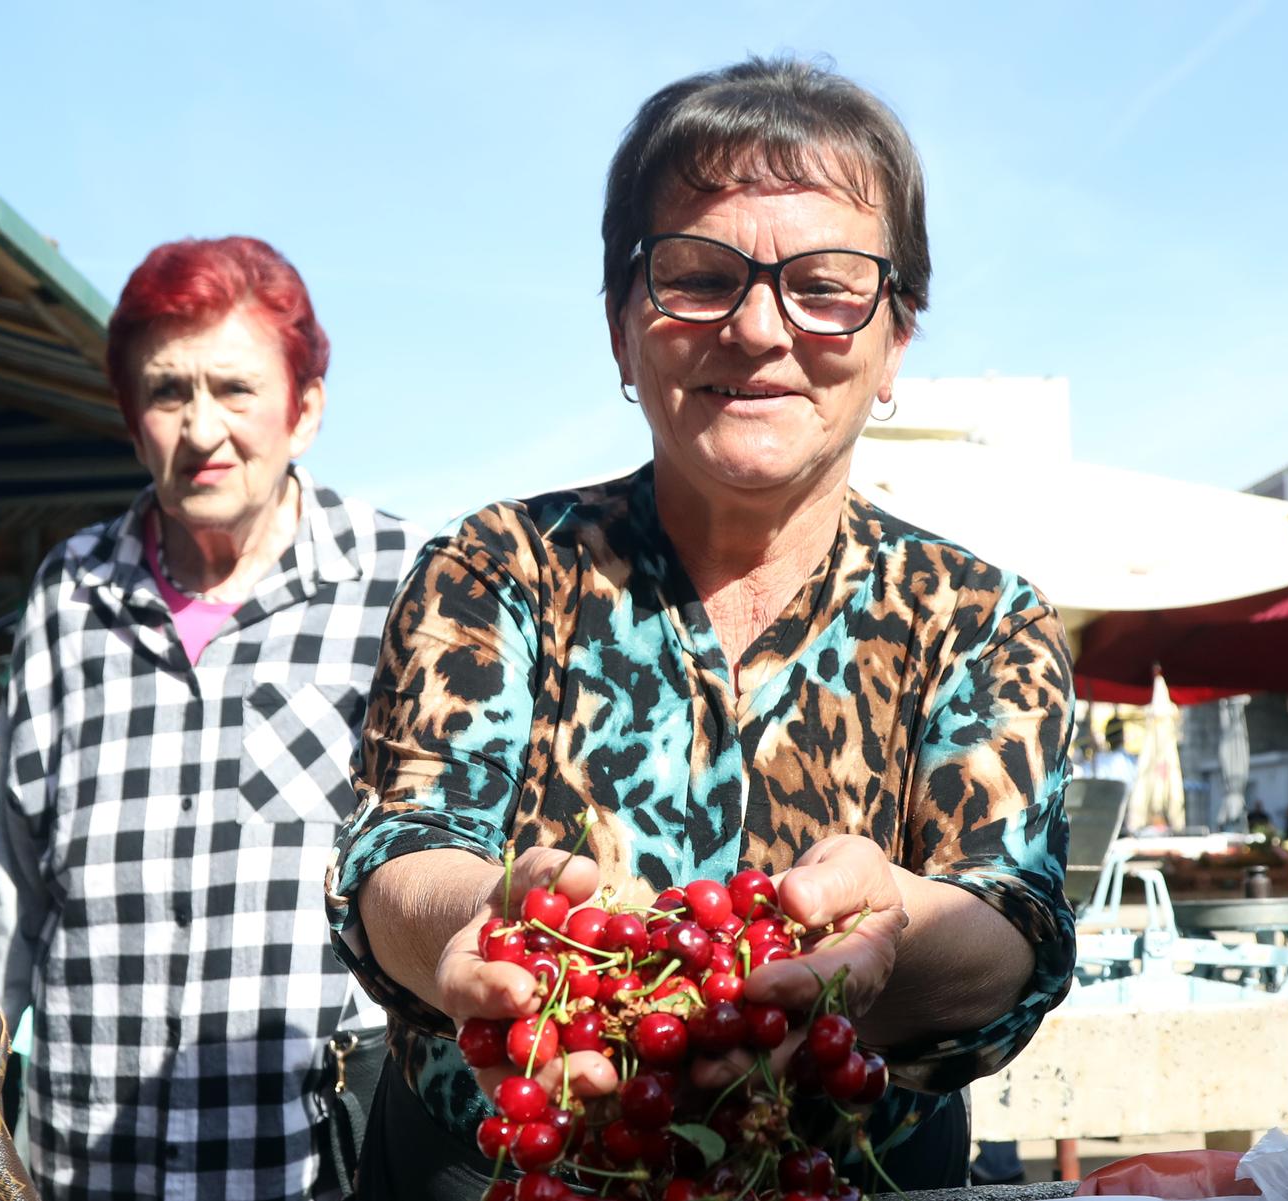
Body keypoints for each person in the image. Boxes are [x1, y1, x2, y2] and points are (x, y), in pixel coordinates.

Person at [328, 58, 1075, 1200]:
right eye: (697, 276)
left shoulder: (980, 620)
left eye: (825, 283)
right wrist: (481, 915)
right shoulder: (495, 569)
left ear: (895, 341)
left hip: (852, 1167)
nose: (759, 327)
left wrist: (892, 937)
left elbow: (1010, 915)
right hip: (513, 1162)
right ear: (625, 331)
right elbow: (402, 846)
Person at [0, 236, 423, 1200]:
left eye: (235, 389)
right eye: (169, 393)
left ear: (304, 411)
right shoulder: (71, 594)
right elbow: (8, 889)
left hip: (302, 1164)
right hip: (84, 1161)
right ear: (133, 423)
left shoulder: (399, 587)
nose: (203, 428)